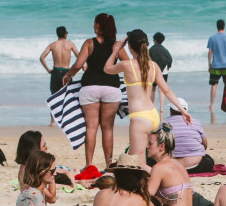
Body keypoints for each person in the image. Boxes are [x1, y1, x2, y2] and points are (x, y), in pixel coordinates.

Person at [105, 29, 192, 163]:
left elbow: (107, 68)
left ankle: (158, 179)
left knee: (136, 161)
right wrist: (183, 110)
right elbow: (167, 91)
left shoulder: (127, 65)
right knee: (139, 160)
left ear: (130, 47)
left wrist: (116, 49)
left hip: (139, 118)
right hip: (153, 115)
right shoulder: (153, 66)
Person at [61, 13, 121, 169]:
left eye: (95, 23)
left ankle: (89, 165)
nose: (94, 26)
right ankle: (109, 163)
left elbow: (78, 64)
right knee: (107, 128)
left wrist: (68, 75)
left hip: (90, 87)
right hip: (111, 88)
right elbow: (128, 63)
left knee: (91, 127)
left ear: (98, 26)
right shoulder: (116, 46)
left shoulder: (89, 43)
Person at [147, 125, 209, 206]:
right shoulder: (179, 166)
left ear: (161, 146)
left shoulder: (159, 168)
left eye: (150, 143)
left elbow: (145, 198)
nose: (147, 147)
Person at [163, 98, 213, 173]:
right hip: (196, 165)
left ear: (171, 110)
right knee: (209, 160)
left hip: (172, 166)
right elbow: (205, 144)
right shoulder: (195, 122)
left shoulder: (164, 124)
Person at [207, 19, 226, 115]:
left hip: (215, 65)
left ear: (217, 26)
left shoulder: (212, 38)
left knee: (214, 85)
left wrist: (209, 65)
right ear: (224, 26)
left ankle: (211, 104)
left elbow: (210, 52)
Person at [39, 26, 78, 95]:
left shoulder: (52, 45)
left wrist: (48, 69)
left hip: (56, 72)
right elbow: (79, 57)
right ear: (65, 34)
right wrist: (74, 70)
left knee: (54, 97)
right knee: (68, 96)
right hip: (67, 72)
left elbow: (42, 57)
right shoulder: (70, 44)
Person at [149, 31, 172, 106]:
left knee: (152, 89)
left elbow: (148, 60)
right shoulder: (164, 49)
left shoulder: (151, 49)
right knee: (162, 90)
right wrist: (168, 66)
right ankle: (162, 108)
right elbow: (170, 58)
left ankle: (151, 105)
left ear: (155, 40)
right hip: (164, 72)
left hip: (154, 72)